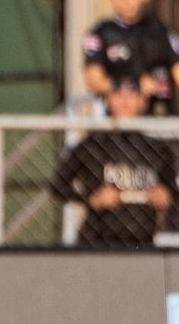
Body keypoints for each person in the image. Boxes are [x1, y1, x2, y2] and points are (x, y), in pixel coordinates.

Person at [51, 78, 179, 246]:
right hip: (96, 242)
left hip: (142, 243)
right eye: (118, 94)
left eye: (131, 95)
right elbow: (58, 186)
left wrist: (166, 197)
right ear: (108, 100)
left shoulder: (157, 149)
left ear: (142, 101)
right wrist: (91, 199)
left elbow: (172, 191)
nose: (124, 101)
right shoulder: (93, 145)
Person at [82, 0, 179, 116]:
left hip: (158, 119)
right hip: (117, 123)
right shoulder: (101, 33)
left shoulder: (162, 33)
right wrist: (134, 85)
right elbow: (93, 79)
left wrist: (154, 85)